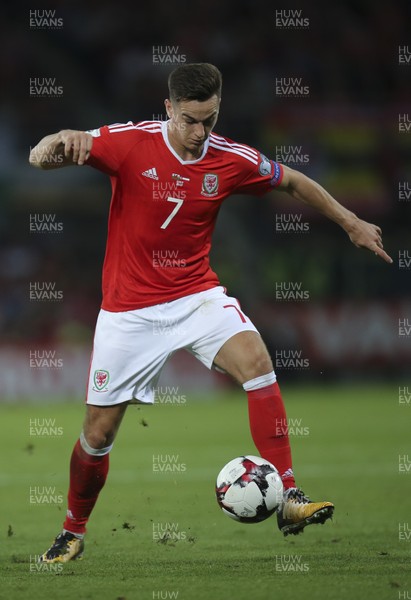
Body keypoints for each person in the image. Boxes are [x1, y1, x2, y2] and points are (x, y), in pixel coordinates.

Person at [29, 63, 392, 563]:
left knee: (258, 362)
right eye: (191, 120)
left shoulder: (230, 159)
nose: (200, 133)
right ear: (169, 110)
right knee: (98, 434)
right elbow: (48, 154)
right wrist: (55, 143)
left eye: (210, 120)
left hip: (196, 295)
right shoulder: (129, 142)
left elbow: (292, 182)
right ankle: (72, 531)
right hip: (129, 310)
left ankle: (288, 497)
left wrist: (350, 222)